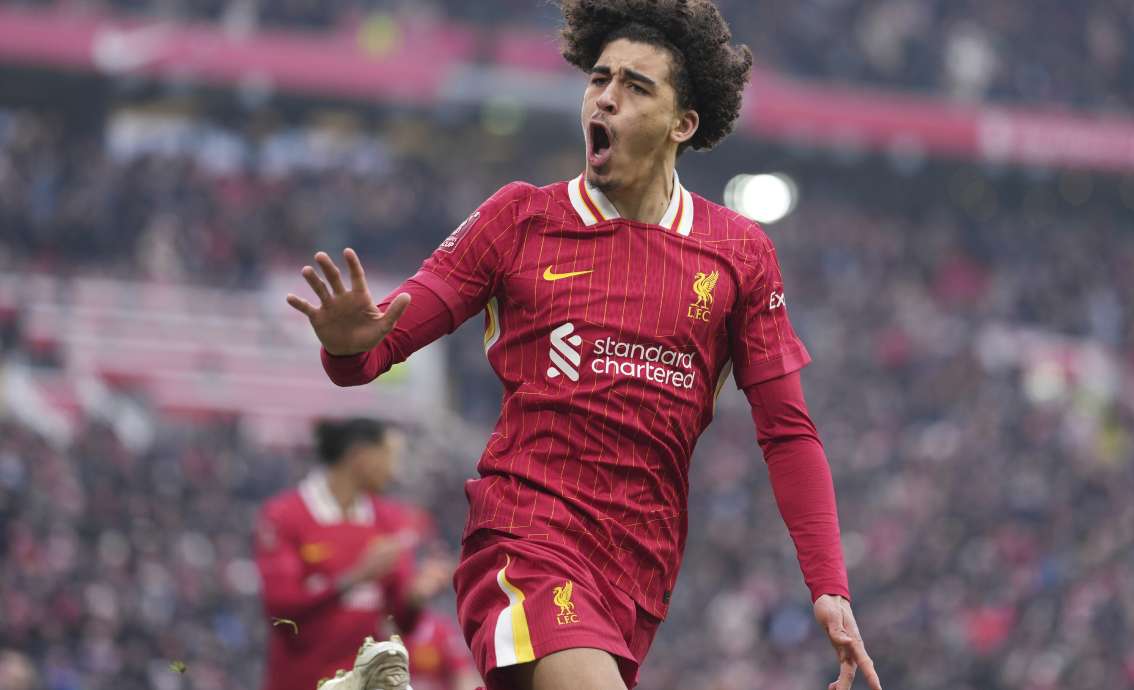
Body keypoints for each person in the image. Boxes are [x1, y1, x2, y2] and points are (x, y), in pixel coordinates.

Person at [287, 1, 882, 688]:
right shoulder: (521, 220)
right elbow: (376, 347)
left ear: (682, 124)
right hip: (525, 539)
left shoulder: (738, 254)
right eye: (599, 79)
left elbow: (789, 433)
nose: (605, 97)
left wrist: (829, 585)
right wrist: (348, 343)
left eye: (635, 86)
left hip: (639, 571)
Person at [255, 418, 439, 690]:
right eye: (389, 456)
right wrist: (355, 577)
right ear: (360, 456)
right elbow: (280, 610)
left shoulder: (389, 519)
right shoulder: (285, 516)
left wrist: (415, 597)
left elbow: (401, 621)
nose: (394, 471)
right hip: (301, 680)